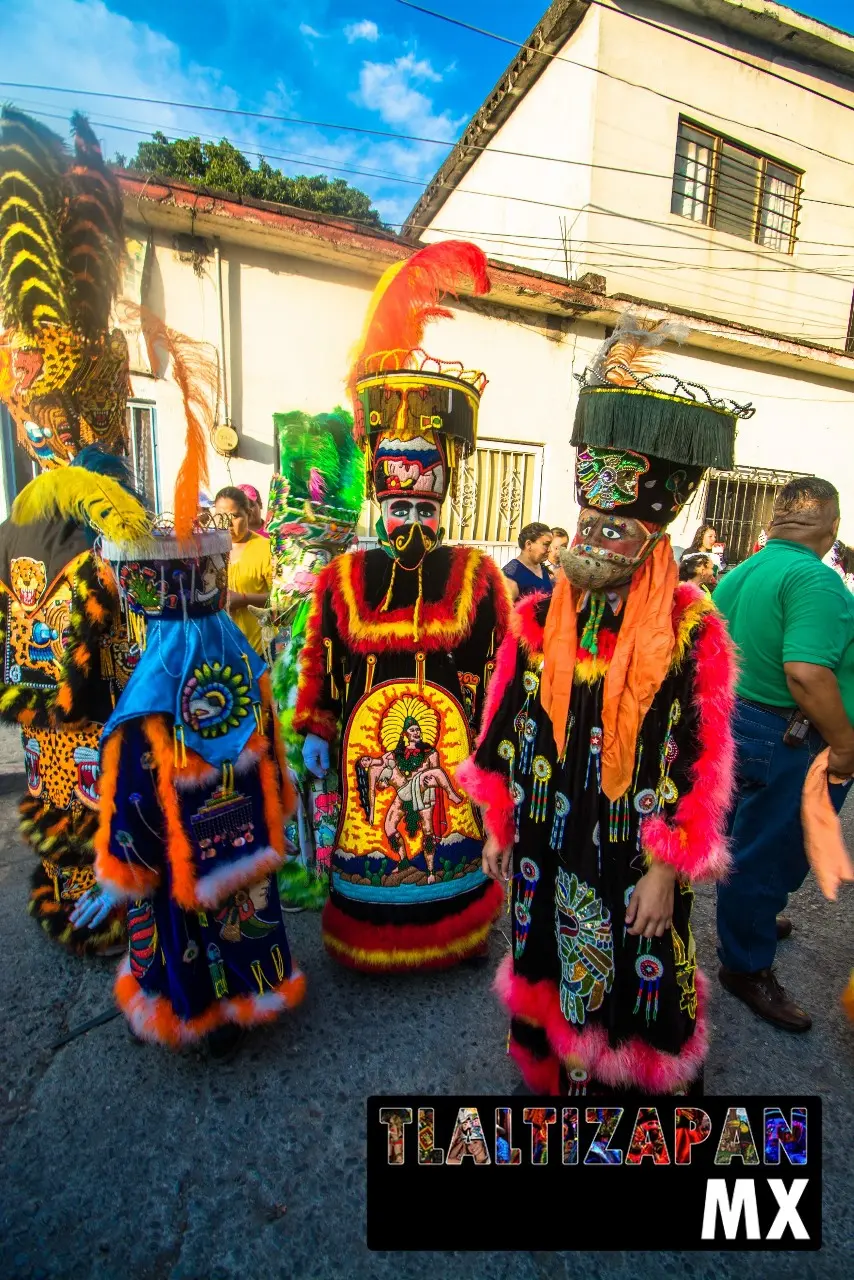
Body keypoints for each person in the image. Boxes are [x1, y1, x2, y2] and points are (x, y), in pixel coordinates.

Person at [459, 313, 753, 1096]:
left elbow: (701, 761)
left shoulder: (692, 629)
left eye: (615, 526)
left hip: (630, 853)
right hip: (544, 838)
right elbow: (503, 729)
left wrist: (668, 869)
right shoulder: (534, 618)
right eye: (588, 520)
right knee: (545, 956)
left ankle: (636, 1092)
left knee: (635, 970)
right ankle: (555, 1070)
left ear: (653, 539)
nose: (592, 538)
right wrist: (498, 819)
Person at [70, 349, 305, 1061]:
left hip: (179, 862)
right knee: (242, 915)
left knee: (187, 922)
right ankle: (247, 999)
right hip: (244, 843)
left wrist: (118, 876)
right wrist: (275, 814)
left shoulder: (151, 694)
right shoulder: (241, 662)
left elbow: (136, 800)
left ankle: (204, 1016)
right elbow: (273, 765)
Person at [293, 240, 511, 972]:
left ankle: (455, 935)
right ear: (377, 501)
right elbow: (318, 661)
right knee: (372, 833)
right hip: (368, 739)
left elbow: (505, 665)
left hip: (452, 745)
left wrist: (498, 746)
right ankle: (372, 940)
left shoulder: (476, 572)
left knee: (449, 838)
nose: (410, 521)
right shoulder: (344, 578)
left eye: (425, 504)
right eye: (397, 504)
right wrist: (316, 723)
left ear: (443, 500)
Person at [0, 109, 139, 954]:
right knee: (65, 778)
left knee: (109, 785)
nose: (61, 444)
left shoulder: (118, 513)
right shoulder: (22, 526)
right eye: (43, 432)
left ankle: (117, 892)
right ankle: (79, 891)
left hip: (114, 718)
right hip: (59, 715)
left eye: (76, 428)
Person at [713, 477, 854, 1032]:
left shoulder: (741, 571)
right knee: (767, 852)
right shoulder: (815, 580)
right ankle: (746, 966)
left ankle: (754, 920)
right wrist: (845, 743)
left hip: (742, 719)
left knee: (746, 839)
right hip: (787, 733)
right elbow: (805, 671)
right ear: (832, 525)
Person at [266, 406, 365, 910]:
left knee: (320, 786)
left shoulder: (330, 581)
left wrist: (316, 716)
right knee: (292, 785)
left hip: (315, 701)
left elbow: (325, 653)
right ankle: (302, 865)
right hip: (284, 692)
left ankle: (322, 871)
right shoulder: (289, 563)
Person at [214, 486, 273, 655]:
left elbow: (280, 599)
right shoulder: (208, 549)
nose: (227, 523)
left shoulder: (265, 548)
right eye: (220, 516)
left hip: (258, 649)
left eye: (234, 516)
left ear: (248, 513)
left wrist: (244, 599)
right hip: (220, 649)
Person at [502, 523, 555, 601]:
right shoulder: (510, 575)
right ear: (528, 544)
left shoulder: (542, 568)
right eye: (546, 545)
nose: (550, 550)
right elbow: (504, 611)